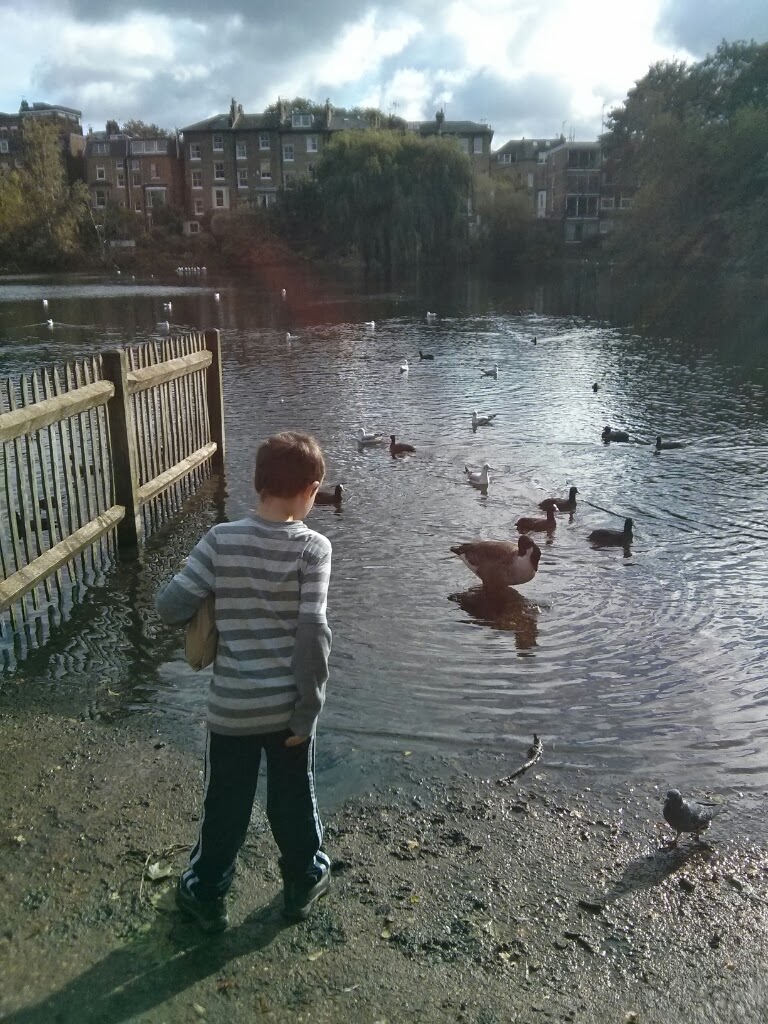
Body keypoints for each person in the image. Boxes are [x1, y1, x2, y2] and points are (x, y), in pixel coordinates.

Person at [155, 431, 333, 932]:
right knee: (292, 799)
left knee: (226, 803)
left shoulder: (220, 540)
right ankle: (302, 880)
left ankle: (208, 891)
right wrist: (309, 709)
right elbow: (313, 633)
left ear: (257, 483)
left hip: (232, 708)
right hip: (287, 710)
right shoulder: (313, 549)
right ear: (311, 490)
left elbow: (170, 607)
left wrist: (211, 589)